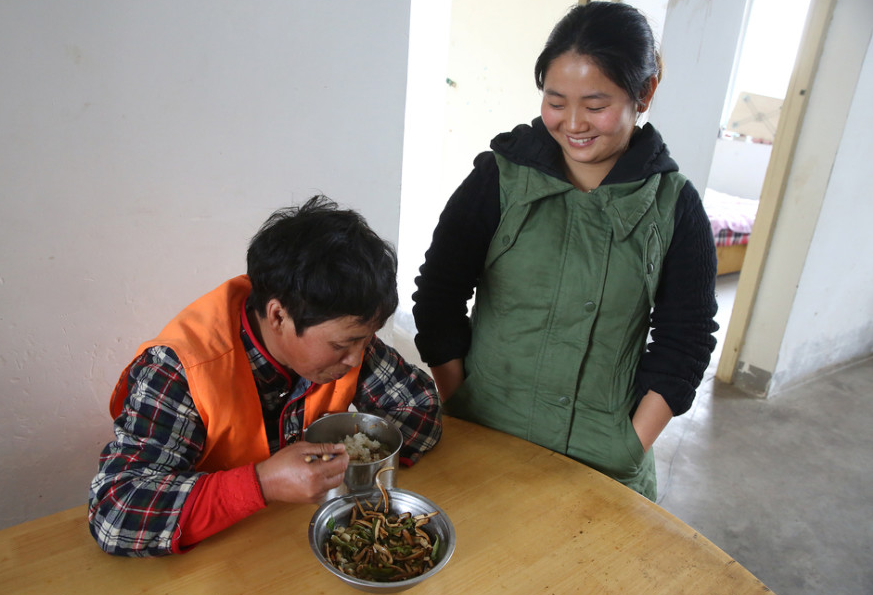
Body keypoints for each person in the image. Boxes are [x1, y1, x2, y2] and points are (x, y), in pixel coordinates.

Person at [412, 2, 717, 501]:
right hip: (481, 435)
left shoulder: (674, 206)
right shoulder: (497, 178)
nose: (573, 123)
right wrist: (459, 396)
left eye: (596, 105)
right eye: (555, 101)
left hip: (603, 463)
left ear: (645, 92)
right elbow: (439, 294)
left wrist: (629, 443)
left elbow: (686, 337)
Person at [89, 196, 442, 556]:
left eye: (366, 339)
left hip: (294, 548)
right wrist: (263, 484)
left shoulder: (340, 332)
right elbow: (116, 513)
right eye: (345, 343)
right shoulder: (179, 369)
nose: (356, 358)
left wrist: (357, 466)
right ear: (277, 317)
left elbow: (420, 407)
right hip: (215, 559)